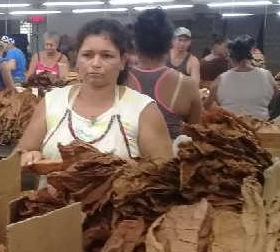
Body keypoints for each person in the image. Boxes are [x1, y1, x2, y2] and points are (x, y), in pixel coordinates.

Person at [16, 18, 173, 166]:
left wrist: (130, 170)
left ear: (123, 61)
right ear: (77, 58)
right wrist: (29, 156)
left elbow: (164, 176)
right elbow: (19, 156)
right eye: (87, 55)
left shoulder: (142, 110)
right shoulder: (52, 102)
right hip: (50, 195)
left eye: (107, 56)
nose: (96, 63)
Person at [127, 9, 203, 139]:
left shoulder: (118, 81)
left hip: (126, 158)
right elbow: (195, 134)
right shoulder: (188, 85)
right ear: (169, 44)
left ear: (136, 44)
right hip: (171, 157)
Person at [209, 35, 278, 120]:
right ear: (251, 55)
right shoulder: (267, 75)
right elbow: (275, 96)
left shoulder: (220, 79)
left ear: (232, 57)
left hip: (231, 128)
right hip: (261, 128)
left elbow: (212, 102)